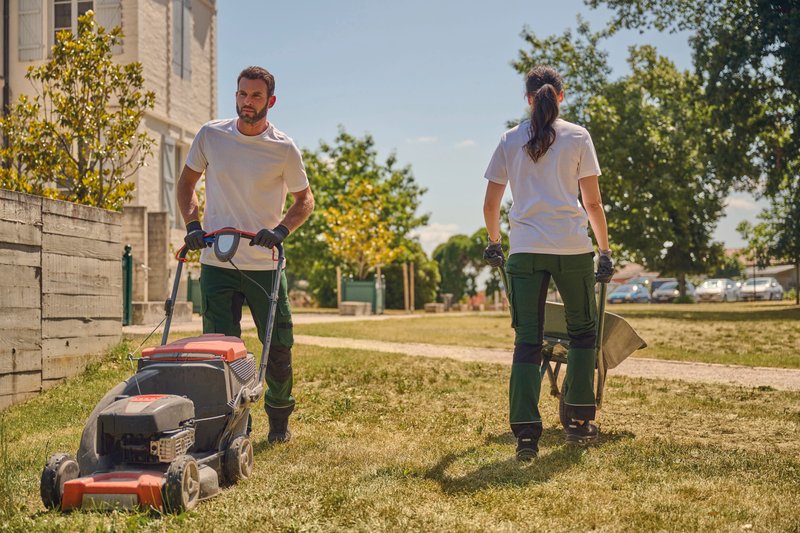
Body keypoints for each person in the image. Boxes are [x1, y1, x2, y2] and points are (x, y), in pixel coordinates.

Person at [482, 65, 614, 461]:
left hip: (525, 249)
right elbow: (592, 202)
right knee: (583, 333)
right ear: (561, 95)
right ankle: (578, 421)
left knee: (527, 339)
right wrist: (605, 251)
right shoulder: (578, 136)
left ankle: (526, 435)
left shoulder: (509, 139)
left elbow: (490, 205)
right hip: (572, 248)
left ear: (528, 98)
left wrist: (494, 243)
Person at [177, 66, 315, 443]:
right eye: (242, 94)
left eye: (255, 96)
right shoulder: (211, 135)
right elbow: (186, 183)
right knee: (220, 348)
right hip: (217, 261)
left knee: (279, 344)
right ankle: (233, 423)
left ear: (271, 101)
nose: (247, 102)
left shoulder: (283, 148)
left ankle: (279, 421)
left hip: (264, 265)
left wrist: (281, 230)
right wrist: (193, 226)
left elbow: (305, 200)